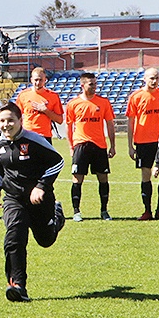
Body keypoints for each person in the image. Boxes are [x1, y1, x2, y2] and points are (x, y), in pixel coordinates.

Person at [0, 102, 65, 303]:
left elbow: (58, 161)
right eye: (3, 121)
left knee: (45, 240)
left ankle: (57, 217)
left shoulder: (34, 141)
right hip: (13, 199)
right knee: (14, 236)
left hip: (40, 200)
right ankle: (17, 285)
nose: (6, 125)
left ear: (20, 121)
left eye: (11, 121)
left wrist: (41, 186)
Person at [65, 72, 116, 221]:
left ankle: (104, 211)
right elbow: (69, 127)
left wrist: (112, 146)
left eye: (95, 83)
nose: (94, 86)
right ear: (83, 85)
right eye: (91, 84)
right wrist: (71, 146)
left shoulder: (103, 102)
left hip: (99, 145)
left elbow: (110, 124)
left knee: (103, 178)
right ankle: (76, 211)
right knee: (77, 179)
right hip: (81, 145)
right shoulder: (73, 104)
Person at [125, 67, 159, 220]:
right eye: (151, 78)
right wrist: (130, 146)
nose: (154, 81)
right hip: (143, 142)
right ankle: (147, 211)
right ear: (144, 79)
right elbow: (130, 122)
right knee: (146, 176)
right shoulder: (136, 97)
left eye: (156, 78)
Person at [15, 67, 64, 143]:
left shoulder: (53, 96)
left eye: (40, 80)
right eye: (36, 80)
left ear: (45, 80)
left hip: (45, 136)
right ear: (31, 80)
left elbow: (60, 120)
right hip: (27, 135)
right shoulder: (23, 95)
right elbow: (16, 116)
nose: (38, 83)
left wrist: (45, 110)